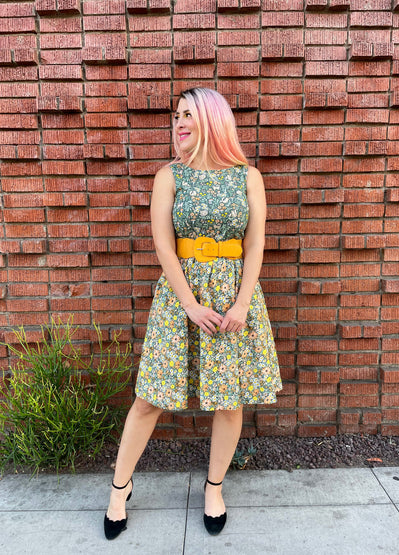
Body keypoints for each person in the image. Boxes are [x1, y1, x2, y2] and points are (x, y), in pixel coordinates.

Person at [104, 87, 282, 540]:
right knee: (149, 398)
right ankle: (118, 489)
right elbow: (163, 243)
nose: (178, 122)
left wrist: (241, 302)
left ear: (212, 120)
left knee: (228, 400)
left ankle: (214, 488)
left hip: (232, 300)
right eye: (176, 115)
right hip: (179, 298)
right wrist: (188, 303)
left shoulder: (247, 176)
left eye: (188, 114)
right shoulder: (170, 176)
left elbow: (256, 243)